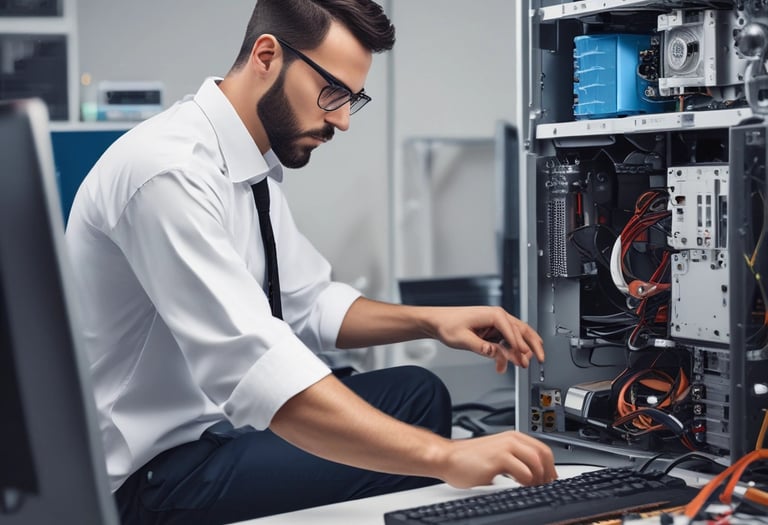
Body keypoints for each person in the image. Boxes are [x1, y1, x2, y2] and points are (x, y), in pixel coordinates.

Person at [65, 1, 557, 524]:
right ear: (267, 55)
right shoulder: (168, 172)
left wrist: (433, 321)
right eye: (333, 92)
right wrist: (447, 457)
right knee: (424, 450)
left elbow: (310, 304)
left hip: (211, 436)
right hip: (145, 481)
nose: (342, 120)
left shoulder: (250, 163)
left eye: (353, 99)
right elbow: (256, 371)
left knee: (418, 396)